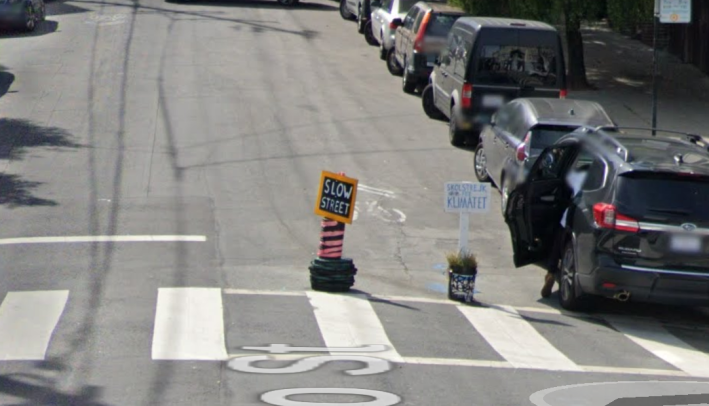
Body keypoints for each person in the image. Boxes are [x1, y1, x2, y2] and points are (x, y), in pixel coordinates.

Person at [541, 164, 588, 298]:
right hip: (587, 220)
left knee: (557, 244)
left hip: (569, 216)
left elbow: (563, 193)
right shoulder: (602, 180)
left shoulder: (575, 175)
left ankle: (551, 273)